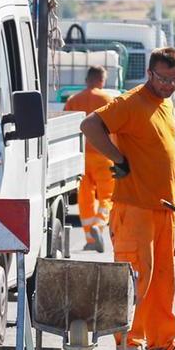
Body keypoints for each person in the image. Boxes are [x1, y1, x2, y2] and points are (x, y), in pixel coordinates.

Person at [80, 47, 175, 350]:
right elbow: (91, 126)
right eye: (162, 79)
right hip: (134, 211)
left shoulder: (165, 103)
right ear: (149, 73)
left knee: (162, 283)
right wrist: (118, 159)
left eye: (174, 79)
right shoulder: (132, 101)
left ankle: (162, 348)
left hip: (162, 211)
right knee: (136, 281)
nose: (169, 85)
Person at [64, 66, 115, 252]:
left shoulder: (73, 101)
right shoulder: (108, 99)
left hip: (81, 158)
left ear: (87, 80)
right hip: (104, 157)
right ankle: (99, 225)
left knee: (85, 198)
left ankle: (90, 240)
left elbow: (65, 128)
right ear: (101, 80)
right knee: (107, 196)